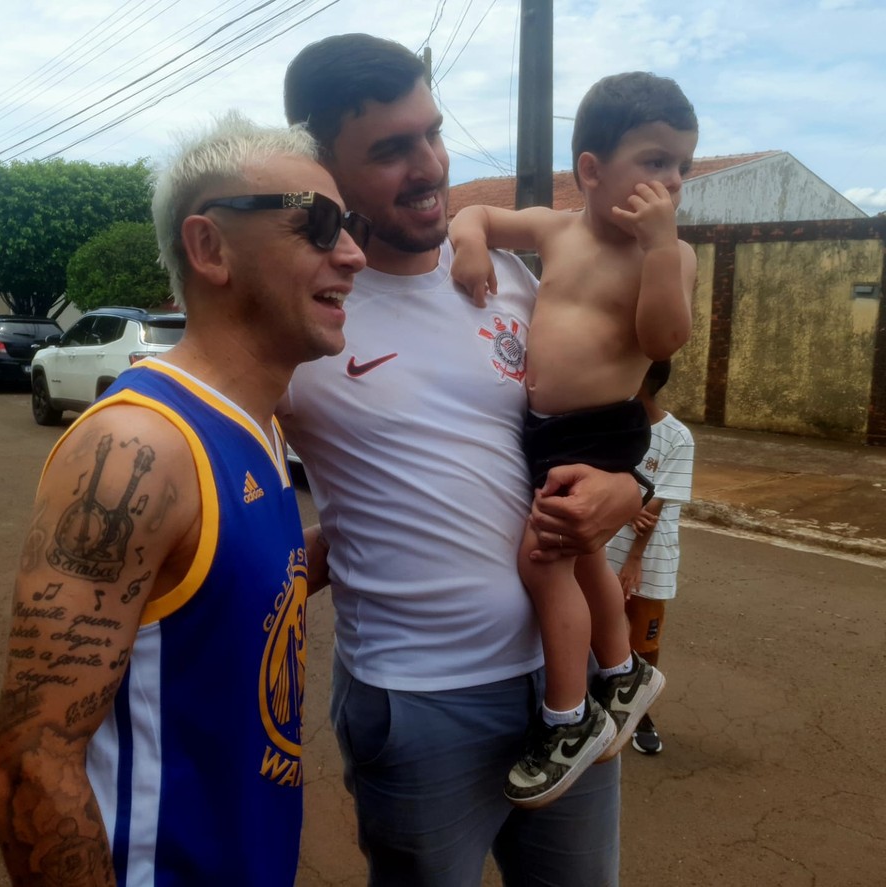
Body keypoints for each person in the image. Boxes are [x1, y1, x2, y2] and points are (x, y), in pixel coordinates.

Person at [281, 34, 643, 887]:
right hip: (419, 702)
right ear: (323, 167)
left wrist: (628, 487)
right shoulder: (306, 320)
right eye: (391, 149)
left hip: (569, 686)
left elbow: (615, 414)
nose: (430, 165)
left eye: (432, 133)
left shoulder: (512, 276)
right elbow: (230, 484)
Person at [0, 111, 368, 886]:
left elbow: (208, 605)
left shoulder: (258, 425)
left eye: (350, 224)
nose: (354, 254)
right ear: (210, 247)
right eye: (319, 224)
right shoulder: (138, 450)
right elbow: (29, 765)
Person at [449, 70, 698, 805]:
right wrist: (467, 244)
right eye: (654, 161)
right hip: (546, 429)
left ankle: (568, 715)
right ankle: (623, 673)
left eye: (681, 165)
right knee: (581, 550)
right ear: (590, 171)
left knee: (542, 561)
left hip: (603, 428)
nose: (672, 181)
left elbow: (662, 338)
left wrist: (659, 248)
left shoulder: (670, 255)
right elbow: (482, 219)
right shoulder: (560, 228)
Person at [605, 359, 695, 755]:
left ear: (642, 381)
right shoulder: (612, 423)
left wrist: (635, 559)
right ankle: (598, 704)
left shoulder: (677, 436)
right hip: (604, 545)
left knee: (645, 639)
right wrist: (624, 507)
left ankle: (640, 713)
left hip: (651, 556)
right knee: (599, 626)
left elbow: (655, 507)